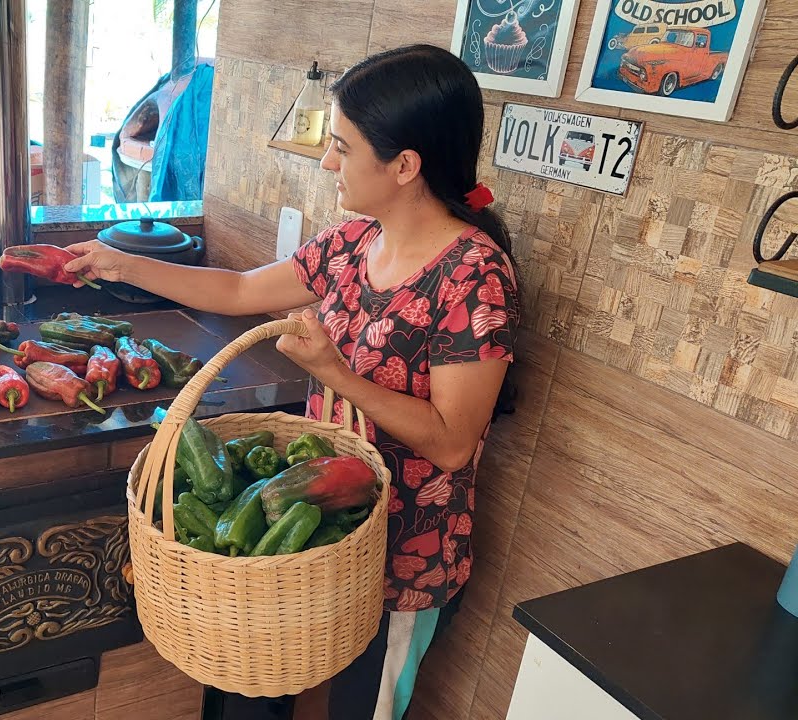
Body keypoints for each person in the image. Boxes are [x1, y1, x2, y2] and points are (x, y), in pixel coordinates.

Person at [65, 44, 520, 720]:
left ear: (404, 166)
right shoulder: (351, 243)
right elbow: (241, 287)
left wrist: (334, 373)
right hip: (309, 529)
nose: (327, 162)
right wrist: (119, 263)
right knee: (252, 688)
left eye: (342, 146)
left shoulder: (474, 277)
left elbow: (453, 444)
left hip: (404, 556)